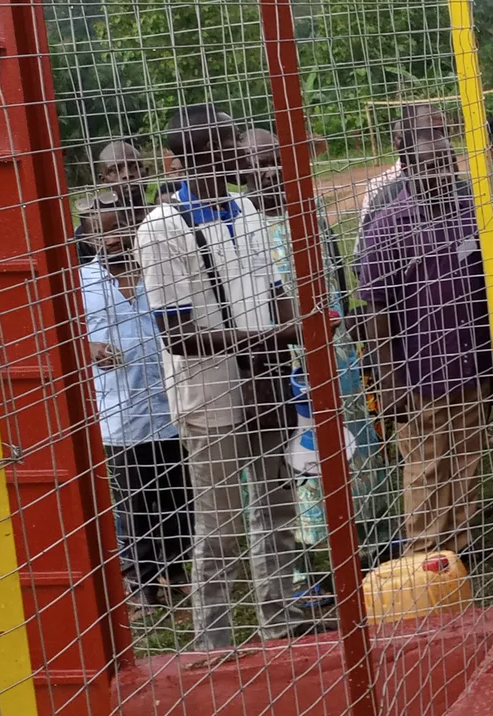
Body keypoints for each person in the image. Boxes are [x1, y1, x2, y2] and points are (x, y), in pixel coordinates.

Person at [135, 104, 317, 649]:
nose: (242, 153)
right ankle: (213, 641)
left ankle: (278, 620)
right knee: (221, 525)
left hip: (265, 379)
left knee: (276, 507)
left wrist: (299, 324)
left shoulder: (247, 210)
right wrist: (270, 340)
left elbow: (275, 289)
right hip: (211, 390)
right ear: (192, 159)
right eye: (230, 144)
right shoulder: (162, 230)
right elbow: (176, 335)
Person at [354, 130, 493, 556]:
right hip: (415, 374)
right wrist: (388, 379)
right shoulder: (386, 226)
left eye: (446, 162)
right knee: (425, 465)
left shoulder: (469, 212)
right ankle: (423, 551)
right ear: (408, 164)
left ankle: (460, 546)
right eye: (432, 165)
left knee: (467, 457)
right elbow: (374, 310)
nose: (442, 172)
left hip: (469, 365)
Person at [83, 193, 191, 609]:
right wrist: (89, 348)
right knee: (134, 499)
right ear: (89, 237)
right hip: (120, 411)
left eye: (117, 229)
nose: (109, 239)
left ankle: (178, 569)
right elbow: (62, 337)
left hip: (168, 404)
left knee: (176, 490)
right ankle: (142, 583)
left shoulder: (158, 274)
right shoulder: (80, 285)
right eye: (100, 231)